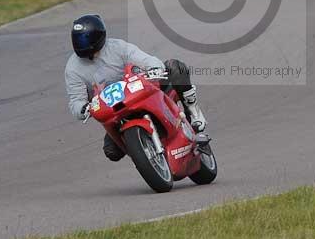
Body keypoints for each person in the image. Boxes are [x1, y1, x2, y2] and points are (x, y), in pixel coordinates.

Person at [65, 14, 208, 162]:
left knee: (175, 67)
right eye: (78, 39)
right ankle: (146, 153)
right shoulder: (73, 69)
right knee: (111, 151)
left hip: (140, 92)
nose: (82, 44)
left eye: (86, 38)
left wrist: (154, 68)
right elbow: (76, 99)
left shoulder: (117, 47)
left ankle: (194, 115)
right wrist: (83, 108)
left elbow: (143, 58)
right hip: (116, 113)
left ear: (99, 36)